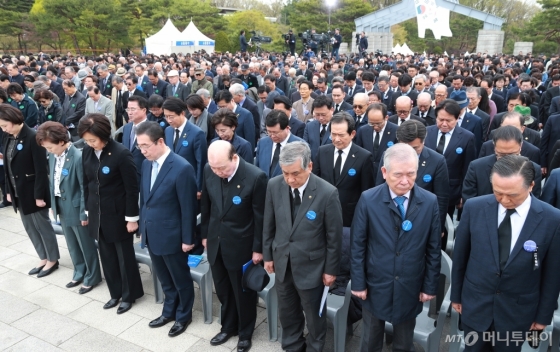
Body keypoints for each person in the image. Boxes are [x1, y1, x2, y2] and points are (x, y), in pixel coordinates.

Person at [451, 155, 560, 351]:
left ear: (531, 185)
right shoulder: (475, 207)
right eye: (498, 192)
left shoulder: (552, 219)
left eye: (513, 195)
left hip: (517, 311)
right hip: (476, 304)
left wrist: (543, 316)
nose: (504, 200)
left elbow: (552, 274)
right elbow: (460, 257)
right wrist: (456, 296)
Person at [350, 143, 441, 352]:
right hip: (375, 283)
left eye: (411, 174)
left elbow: (434, 248)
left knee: (404, 341)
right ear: (384, 172)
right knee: (370, 338)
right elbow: (358, 245)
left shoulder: (429, 202)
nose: (405, 181)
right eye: (398, 174)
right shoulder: (369, 199)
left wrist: (429, 286)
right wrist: (358, 282)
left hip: (410, 283)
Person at [262, 141, 343, 352]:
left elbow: (334, 237)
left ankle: (315, 347)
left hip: (312, 267)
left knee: (314, 315)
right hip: (283, 262)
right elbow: (268, 224)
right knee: (288, 311)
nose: (290, 179)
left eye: (295, 173)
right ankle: (292, 346)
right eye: (285, 173)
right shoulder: (274, 185)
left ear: (310, 166)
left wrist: (330, 270)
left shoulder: (327, 193)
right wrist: (268, 255)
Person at [201, 140, 268, 352]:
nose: (217, 172)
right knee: (222, 289)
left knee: (243, 293)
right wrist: (205, 235)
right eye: (214, 167)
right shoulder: (209, 169)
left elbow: (261, 217)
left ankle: (245, 332)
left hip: (241, 244)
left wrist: (258, 249)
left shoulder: (255, 177)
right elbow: (207, 206)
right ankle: (228, 326)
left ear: (235, 158)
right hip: (216, 242)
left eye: (222, 167)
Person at [137, 121, 197, 337]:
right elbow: (145, 199)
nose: (143, 151)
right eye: (139, 147)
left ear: (160, 141)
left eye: (146, 146)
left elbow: (188, 208)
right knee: (164, 278)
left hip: (173, 235)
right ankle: (168, 310)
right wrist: (143, 227)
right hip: (152, 233)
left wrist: (187, 239)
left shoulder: (181, 167)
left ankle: (183, 316)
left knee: (180, 279)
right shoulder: (146, 164)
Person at [79, 113, 144, 314]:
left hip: (118, 213)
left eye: (93, 140)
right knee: (106, 255)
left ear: (104, 135)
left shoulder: (121, 153)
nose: (90, 144)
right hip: (97, 212)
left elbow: (132, 189)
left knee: (124, 256)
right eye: (87, 140)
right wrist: (88, 211)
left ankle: (129, 294)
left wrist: (132, 218)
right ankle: (115, 292)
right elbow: (87, 183)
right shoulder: (87, 152)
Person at [36, 121, 101, 293]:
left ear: (62, 141)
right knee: (72, 243)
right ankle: (79, 271)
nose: (48, 151)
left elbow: (83, 188)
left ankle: (93, 275)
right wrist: (53, 204)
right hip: (60, 204)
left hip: (76, 206)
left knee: (85, 244)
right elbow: (53, 182)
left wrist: (83, 213)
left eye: (50, 147)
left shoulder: (78, 157)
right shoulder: (52, 156)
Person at [0, 105, 60, 277]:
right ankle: (43, 257)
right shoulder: (9, 137)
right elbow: (8, 168)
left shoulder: (33, 137)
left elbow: (41, 170)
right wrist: (8, 191)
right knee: (29, 227)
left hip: (33, 191)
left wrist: (39, 195)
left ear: (13, 121)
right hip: (18, 190)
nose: (3, 129)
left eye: (5, 125)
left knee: (42, 226)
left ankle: (52, 259)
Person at [376, 120, 450, 234]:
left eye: (415, 148)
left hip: (421, 221)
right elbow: (380, 188)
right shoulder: (388, 156)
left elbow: (441, 198)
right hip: (389, 218)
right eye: (404, 147)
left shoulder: (437, 161)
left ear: (423, 142)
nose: (409, 153)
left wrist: (437, 228)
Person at [312, 112, 374, 227]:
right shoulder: (322, 152)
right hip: (323, 214)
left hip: (349, 217)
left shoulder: (364, 157)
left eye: (341, 135)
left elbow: (367, 190)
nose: (336, 139)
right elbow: (314, 182)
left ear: (352, 134)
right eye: (333, 134)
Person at [425, 99, 476, 218]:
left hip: (451, 191)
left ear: (457, 118)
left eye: (448, 120)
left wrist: (464, 194)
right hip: (426, 188)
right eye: (440, 119)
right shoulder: (427, 132)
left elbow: (467, 168)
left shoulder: (467, 137)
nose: (444, 124)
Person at [163, 97, 207, 196]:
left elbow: (201, 162)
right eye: (166, 116)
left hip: (189, 182)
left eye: (171, 116)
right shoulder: (168, 131)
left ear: (182, 113)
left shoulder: (197, 133)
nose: (168, 120)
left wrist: (199, 187)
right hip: (171, 182)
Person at [355, 103, 398, 182]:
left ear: (386, 117)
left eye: (378, 123)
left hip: (386, 176)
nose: (375, 127)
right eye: (371, 123)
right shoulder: (363, 130)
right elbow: (359, 153)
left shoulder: (396, 131)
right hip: (367, 175)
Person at [255, 110, 304, 179]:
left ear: (287, 128)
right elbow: (257, 169)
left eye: (275, 132)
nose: (272, 136)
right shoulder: (262, 143)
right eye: (269, 132)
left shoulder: (300, 146)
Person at [121, 95, 149, 184]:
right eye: (128, 109)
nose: (129, 112)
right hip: (126, 176)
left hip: (144, 176)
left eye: (133, 109)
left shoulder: (151, 128)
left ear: (144, 110)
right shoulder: (127, 128)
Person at [303, 95, 333, 162]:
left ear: (332, 110)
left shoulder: (338, 126)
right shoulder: (309, 126)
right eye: (317, 115)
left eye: (323, 115)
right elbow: (305, 147)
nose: (320, 118)